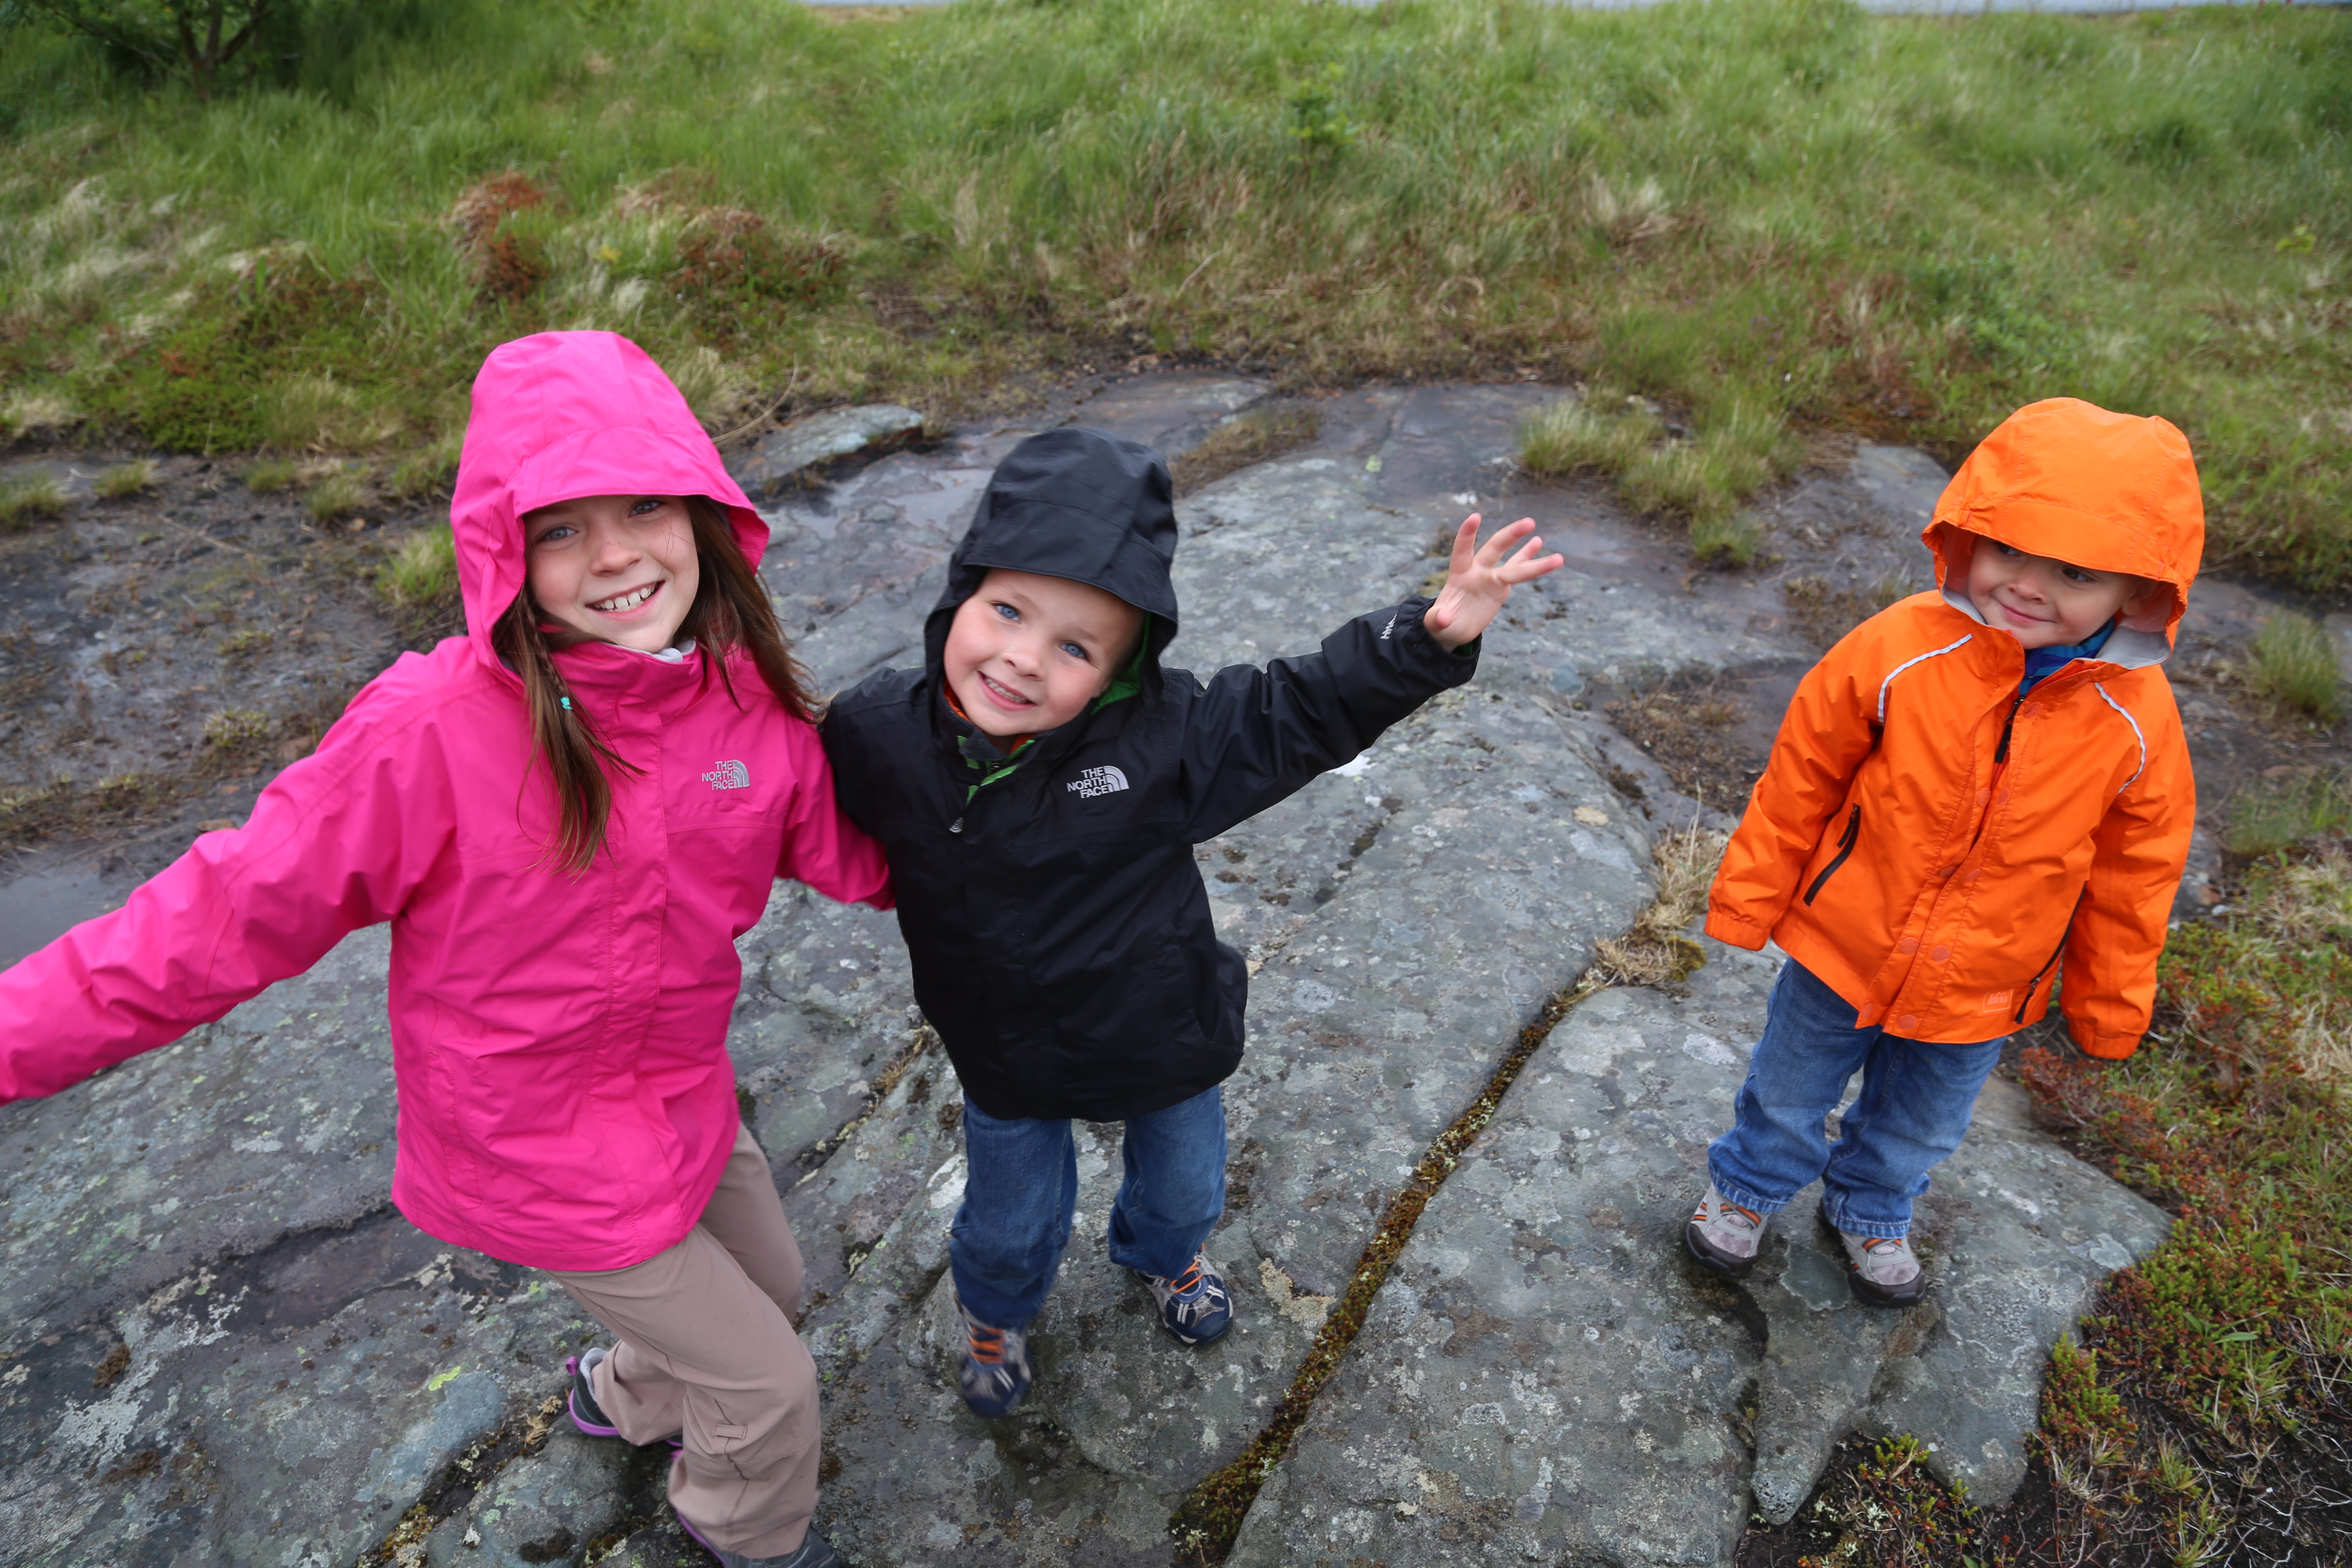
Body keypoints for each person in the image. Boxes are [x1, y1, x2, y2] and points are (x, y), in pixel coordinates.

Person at [0, 332, 886, 1568]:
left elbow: (868, 853)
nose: (616, 556)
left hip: (685, 1096)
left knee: (775, 1291)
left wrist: (1065, 845)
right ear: (499, 552)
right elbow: (218, 916)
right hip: (534, 1147)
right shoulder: (429, 733)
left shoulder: (743, 702)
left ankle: (624, 1395)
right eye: (561, 528)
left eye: (641, 506)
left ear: (702, 508)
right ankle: (743, 1532)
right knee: (772, 1385)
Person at [819, 426, 1562, 1417]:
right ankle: (997, 1312)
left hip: (1160, 1030)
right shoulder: (876, 731)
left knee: (1181, 1194)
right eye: (1006, 610)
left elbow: (1292, 711)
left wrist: (1424, 640)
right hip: (1003, 1052)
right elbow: (777, 807)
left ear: (1123, 670)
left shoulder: (1165, 737)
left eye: (1076, 646)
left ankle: (1164, 1261)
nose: (1022, 659)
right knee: (1007, 1228)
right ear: (962, 590)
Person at [1686, 397, 2201, 1308]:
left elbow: (2139, 872)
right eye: (2009, 549)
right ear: (1970, 533)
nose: (2028, 586)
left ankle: (1874, 1210)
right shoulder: (1901, 647)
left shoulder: (2135, 718)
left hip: (1986, 977)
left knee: (1922, 1120)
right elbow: (1803, 770)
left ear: (2142, 591)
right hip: (1847, 942)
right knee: (1790, 1085)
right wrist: (1751, 894)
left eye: (2075, 571)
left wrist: (2109, 1004)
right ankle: (1748, 1189)